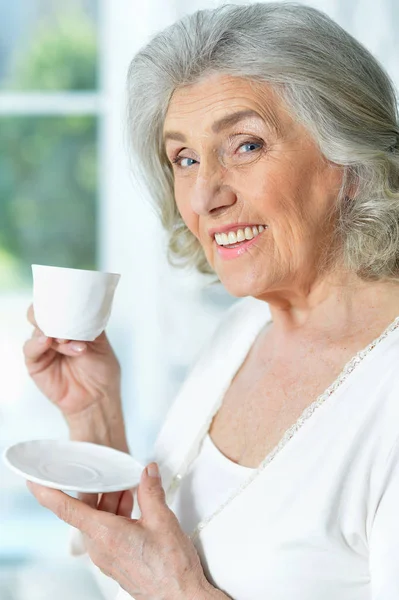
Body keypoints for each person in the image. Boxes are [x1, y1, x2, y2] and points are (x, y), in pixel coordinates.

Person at [23, 2, 399, 599]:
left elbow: (168, 587)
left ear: (348, 161)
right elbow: (137, 580)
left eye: (245, 145)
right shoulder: (243, 331)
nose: (202, 196)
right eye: (185, 158)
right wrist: (96, 419)